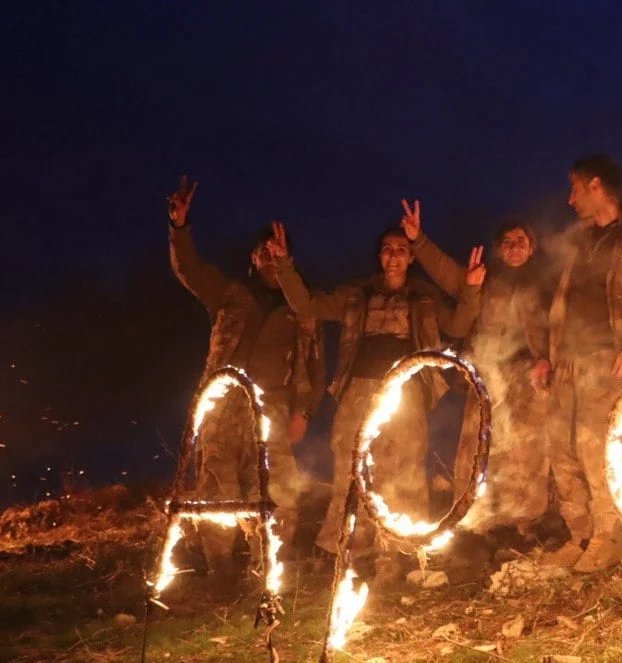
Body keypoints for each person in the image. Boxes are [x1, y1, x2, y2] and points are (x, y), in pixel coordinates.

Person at [268, 220, 480, 574]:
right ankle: (348, 546)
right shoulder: (357, 294)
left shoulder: (423, 296)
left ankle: (397, 551)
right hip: (360, 389)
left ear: (410, 257)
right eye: (387, 249)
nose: (394, 256)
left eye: (401, 250)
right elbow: (306, 305)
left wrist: (471, 290)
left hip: (408, 387)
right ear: (379, 257)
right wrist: (284, 265)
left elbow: (458, 327)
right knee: (350, 463)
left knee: (406, 464)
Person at [166, 176, 323, 591]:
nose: (270, 259)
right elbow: (191, 270)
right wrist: (180, 228)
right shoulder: (230, 294)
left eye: (276, 251)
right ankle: (219, 570)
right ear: (253, 259)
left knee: (277, 487)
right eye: (262, 253)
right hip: (222, 400)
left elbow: (313, 365)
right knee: (218, 484)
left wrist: (304, 410)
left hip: (270, 407)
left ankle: (268, 569)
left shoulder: (300, 305)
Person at [544, 154, 622, 574]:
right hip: (569, 360)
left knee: (600, 449)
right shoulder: (577, 241)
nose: (570, 198)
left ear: (596, 186)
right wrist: (548, 356)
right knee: (562, 449)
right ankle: (578, 534)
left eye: (575, 188)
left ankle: (608, 537)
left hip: (608, 357)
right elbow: (557, 300)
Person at [405, 208, 552, 537]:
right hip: (486, 373)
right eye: (507, 242)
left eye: (521, 241)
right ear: (499, 249)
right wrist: (418, 240)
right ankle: (475, 522)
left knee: (527, 450)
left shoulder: (546, 285)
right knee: (477, 447)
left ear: (531, 249)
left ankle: (524, 523)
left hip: (529, 376)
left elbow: (566, 324)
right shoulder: (481, 280)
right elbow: (445, 272)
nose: (514, 247)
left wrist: (549, 361)